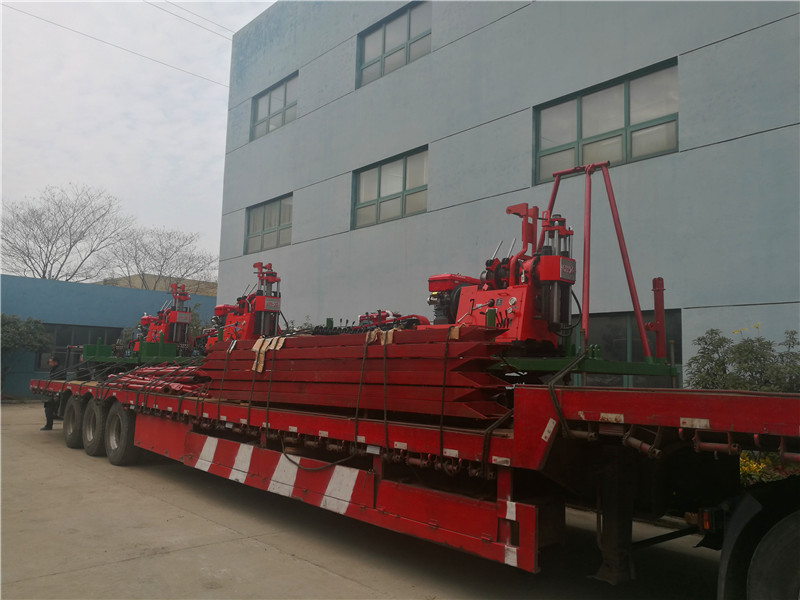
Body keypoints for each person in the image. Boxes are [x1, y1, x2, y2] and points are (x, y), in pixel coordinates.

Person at [41, 355, 64, 431]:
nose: (49, 363)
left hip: (56, 392)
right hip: (54, 392)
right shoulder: (55, 369)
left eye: (50, 362)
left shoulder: (59, 369)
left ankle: (48, 426)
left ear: (55, 362)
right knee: (51, 408)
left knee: (48, 409)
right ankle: (51, 422)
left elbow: (56, 380)